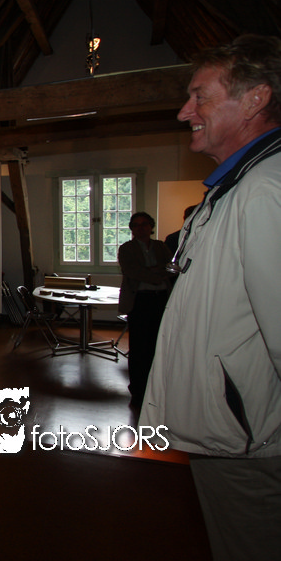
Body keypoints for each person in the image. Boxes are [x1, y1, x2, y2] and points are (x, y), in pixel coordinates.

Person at [141, 35, 281, 561]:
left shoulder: (265, 191)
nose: (185, 111)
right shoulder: (237, 189)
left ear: (255, 98)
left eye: (200, 96)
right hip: (236, 435)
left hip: (251, 443)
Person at [117, 212, 173, 409]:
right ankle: (138, 390)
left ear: (151, 226)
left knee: (158, 345)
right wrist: (157, 274)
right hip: (139, 301)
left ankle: (157, 388)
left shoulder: (160, 246)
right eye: (136, 225)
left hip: (161, 300)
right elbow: (132, 271)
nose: (141, 228)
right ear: (132, 229)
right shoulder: (127, 248)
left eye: (144, 224)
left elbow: (171, 268)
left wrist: (152, 271)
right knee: (139, 347)